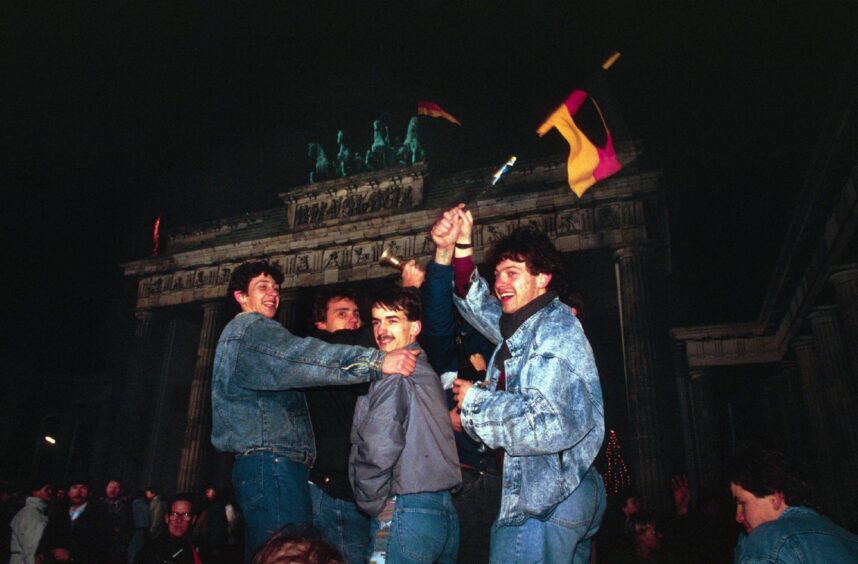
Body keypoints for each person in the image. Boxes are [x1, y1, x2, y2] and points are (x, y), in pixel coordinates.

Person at [211, 260, 419, 560]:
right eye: (262, 287)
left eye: (276, 288)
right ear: (241, 296)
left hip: (269, 463)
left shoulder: (244, 335)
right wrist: (375, 362)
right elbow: (303, 357)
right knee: (288, 554)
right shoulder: (252, 329)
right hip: (273, 462)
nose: (273, 293)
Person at [437, 204, 606, 563]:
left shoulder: (555, 328)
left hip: (545, 499)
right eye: (498, 273)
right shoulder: (523, 327)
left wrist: (475, 402)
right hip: (553, 493)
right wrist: (463, 245)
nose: (500, 283)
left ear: (542, 278)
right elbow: (474, 301)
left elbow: (546, 421)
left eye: (512, 273)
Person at [350, 287, 461, 563]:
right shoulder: (427, 372)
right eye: (376, 321)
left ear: (415, 328)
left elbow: (378, 446)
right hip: (443, 512)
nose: (381, 329)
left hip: (403, 510)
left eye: (392, 320)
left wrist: (370, 501)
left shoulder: (395, 373)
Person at [305, 286, 375, 564]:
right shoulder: (321, 351)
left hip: (351, 489)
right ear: (321, 324)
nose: (353, 320)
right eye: (342, 314)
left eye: (356, 314)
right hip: (333, 488)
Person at [729, 445, 858, 563]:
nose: (738, 517)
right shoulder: (849, 540)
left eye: (742, 503)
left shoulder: (768, 539)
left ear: (775, 497)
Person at [38, 477, 113, 563]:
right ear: (69, 492)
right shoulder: (59, 514)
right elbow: (47, 539)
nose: (78, 492)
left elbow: (104, 547)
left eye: (83, 488)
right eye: (74, 487)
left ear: (89, 493)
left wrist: (72, 556)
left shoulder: (100, 515)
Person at [134, 494, 202, 564]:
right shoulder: (150, 551)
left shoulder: (198, 552)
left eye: (186, 515)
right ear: (166, 518)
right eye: (174, 514)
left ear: (193, 520)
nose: (179, 520)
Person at [9, 481, 51, 564]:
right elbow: (31, 547)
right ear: (35, 491)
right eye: (47, 489)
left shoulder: (26, 511)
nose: (50, 492)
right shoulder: (33, 514)